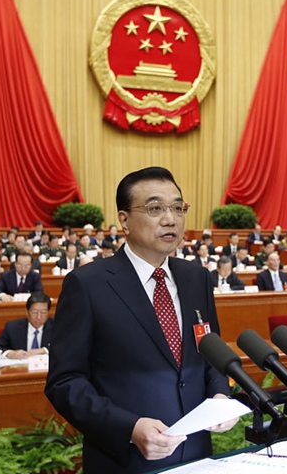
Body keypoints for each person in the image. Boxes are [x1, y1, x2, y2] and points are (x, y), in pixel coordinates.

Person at [46, 167, 234, 474]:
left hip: (197, 457)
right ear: (124, 220)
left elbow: (209, 354)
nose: (170, 219)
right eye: (155, 208)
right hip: (125, 461)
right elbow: (65, 382)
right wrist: (129, 428)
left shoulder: (196, 278)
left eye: (177, 207)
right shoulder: (88, 284)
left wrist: (220, 394)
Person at [0, 292, 53, 359]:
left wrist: (44, 350)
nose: (39, 317)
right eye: (34, 312)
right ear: (27, 312)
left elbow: (63, 347)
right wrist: (10, 353)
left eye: (43, 312)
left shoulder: (56, 327)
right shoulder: (12, 327)